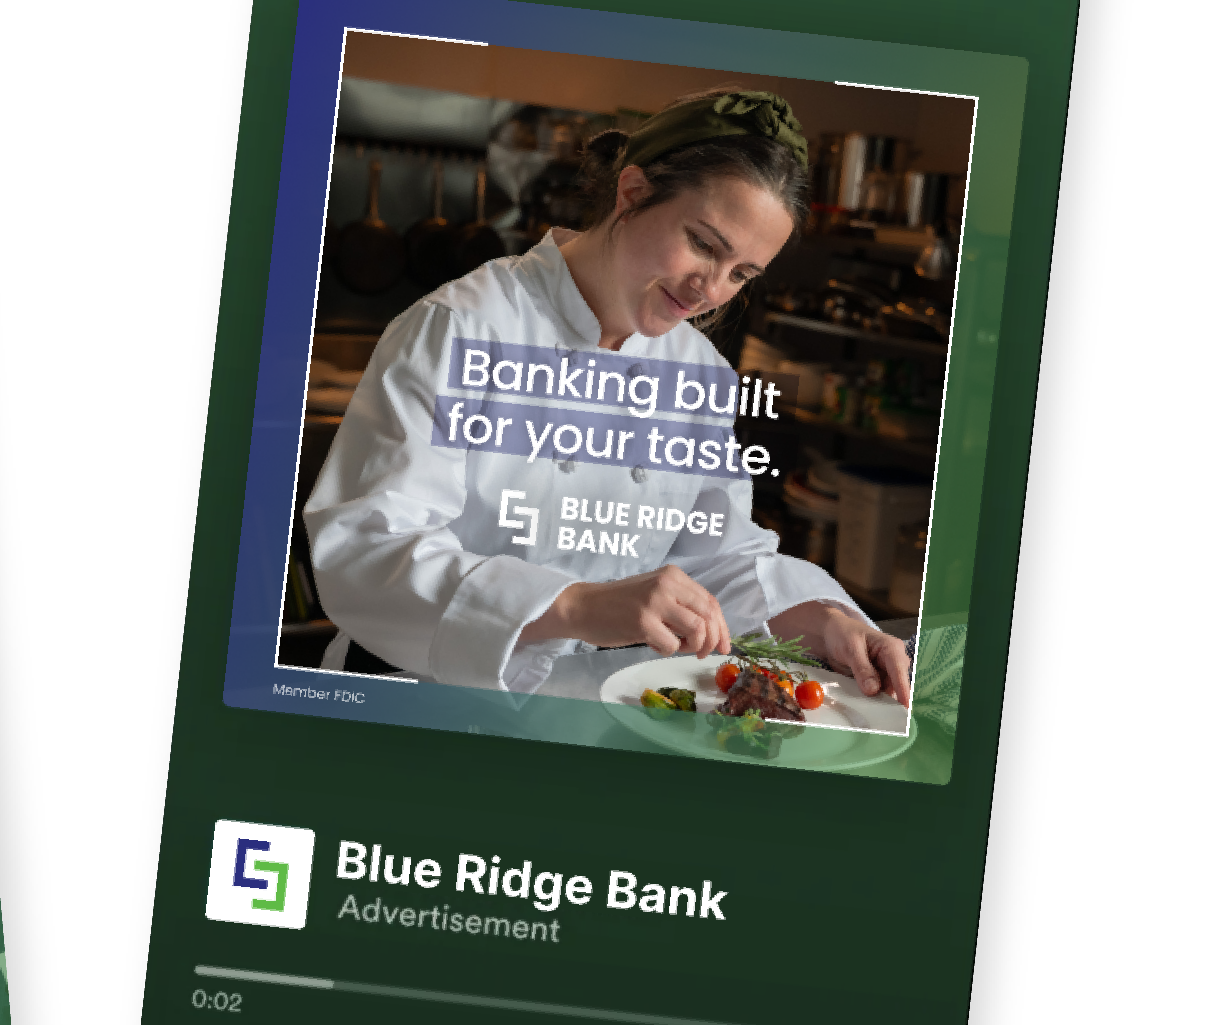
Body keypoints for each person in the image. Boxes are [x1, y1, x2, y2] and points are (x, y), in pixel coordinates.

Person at [304, 89, 912, 705]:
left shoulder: (696, 370)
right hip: (416, 696)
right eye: (704, 244)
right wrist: (573, 605)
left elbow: (716, 551)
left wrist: (829, 618)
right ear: (632, 193)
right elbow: (368, 548)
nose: (711, 290)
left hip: (587, 704)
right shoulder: (464, 326)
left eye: (742, 275)